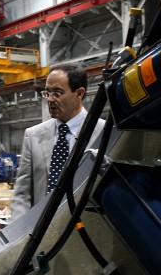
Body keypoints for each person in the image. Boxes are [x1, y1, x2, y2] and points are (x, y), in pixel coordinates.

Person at [10, 63, 105, 221]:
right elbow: (22, 194)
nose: (50, 99)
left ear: (79, 93)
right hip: (40, 231)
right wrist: (17, 231)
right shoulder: (33, 136)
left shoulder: (103, 132)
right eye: (47, 93)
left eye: (58, 93)